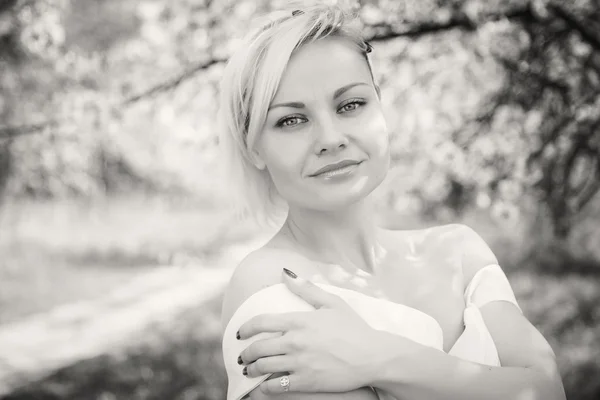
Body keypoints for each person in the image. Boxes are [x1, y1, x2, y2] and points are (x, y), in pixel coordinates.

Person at [217, 3, 566, 400]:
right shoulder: (269, 283)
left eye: (351, 105)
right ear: (254, 149)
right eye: (291, 120)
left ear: (379, 105)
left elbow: (546, 388)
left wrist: (383, 358)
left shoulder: (459, 250)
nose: (331, 138)